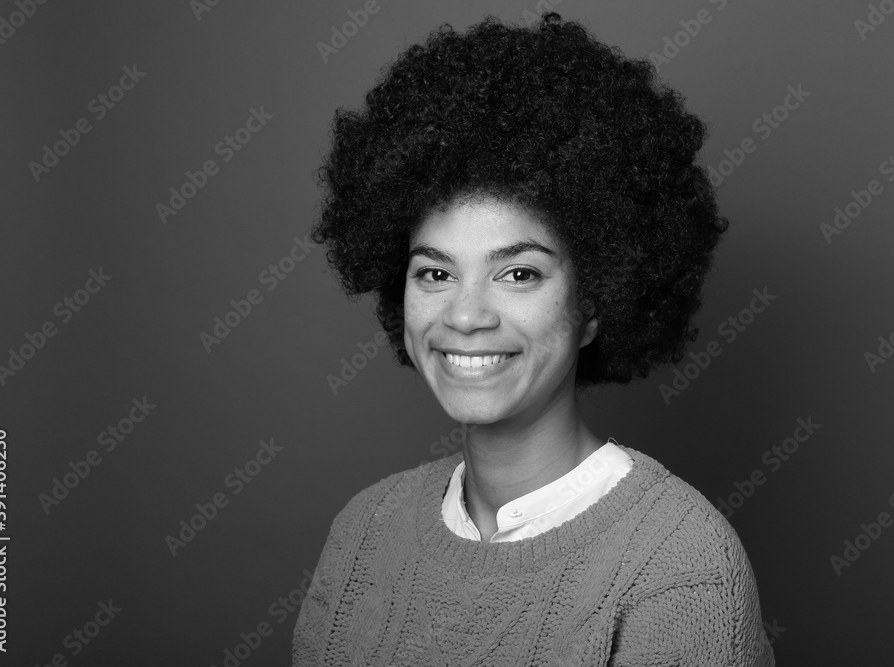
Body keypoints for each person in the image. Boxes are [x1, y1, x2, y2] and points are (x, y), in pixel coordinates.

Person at [295, 12, 774, 666]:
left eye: (518, 273)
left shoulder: (680, 564)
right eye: (435, 272)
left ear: (595, 303)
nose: (465, 315)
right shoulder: (362, 534)